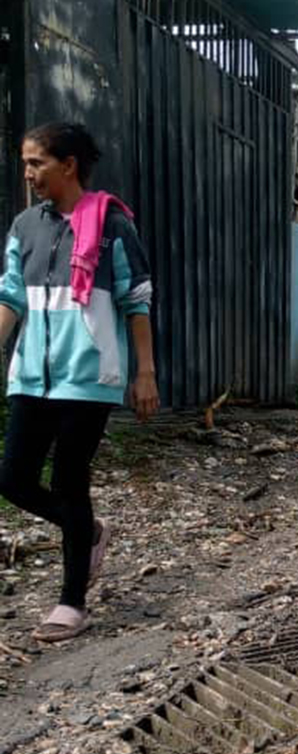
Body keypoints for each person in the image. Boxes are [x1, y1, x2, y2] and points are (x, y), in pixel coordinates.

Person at [0, 121, 159, 642]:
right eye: (26, 163)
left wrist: (144, 374)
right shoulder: (25, 225)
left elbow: (137, 300)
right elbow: (10, 297)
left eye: (36, 163)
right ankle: (84, 530)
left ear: (68, 165)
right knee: (13, 479)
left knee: (70, 481)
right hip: (30, 375)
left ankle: (71, 602)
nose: (28, 174)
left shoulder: (112, 224)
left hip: (88, 376)